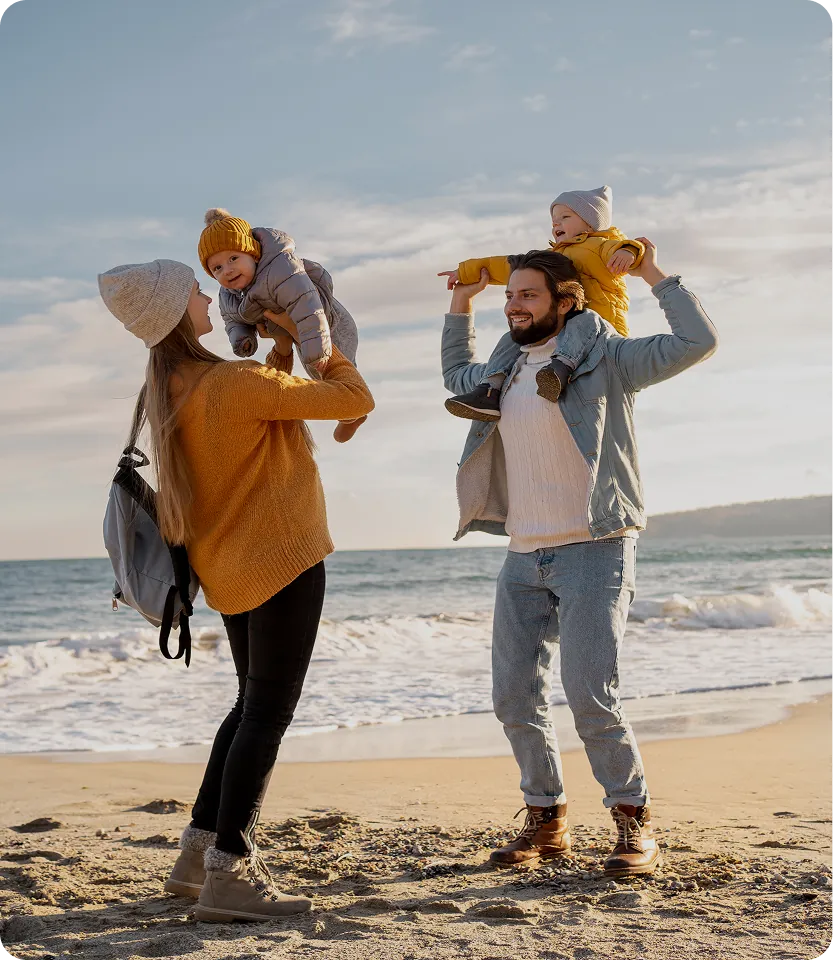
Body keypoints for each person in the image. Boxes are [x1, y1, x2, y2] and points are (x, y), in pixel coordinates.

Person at [98, 258, 374, 921]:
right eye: (193, 290)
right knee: (267, 714)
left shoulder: (172, 389)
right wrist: (321, 344)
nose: (206, 294)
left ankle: (197, 855)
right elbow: (352, 399)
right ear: (174, 311)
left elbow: (263, 404)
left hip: (227, 569)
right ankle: (229, 871)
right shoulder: (232, 381)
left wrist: (279, 343)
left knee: (248, 705)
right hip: (282, 558)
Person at [440, 241, 717, 877]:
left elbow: (696, 341)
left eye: (527, 294)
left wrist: (652, 273)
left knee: (590, 695)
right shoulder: (503, 371)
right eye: (510, 294)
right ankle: (546, 819)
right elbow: (456, 374)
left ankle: (634, 822)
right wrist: (460, 304)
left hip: (595, 546)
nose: (514, 304)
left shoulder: (610, 358)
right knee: (514, 696)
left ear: (568, 301)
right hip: (522, 552)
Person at [439, 185, 644, 420]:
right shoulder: (554, 258)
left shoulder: (600, 247)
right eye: (554, 220)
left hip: (601, 335)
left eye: (565, 217)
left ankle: (559, 371)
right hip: (565, 333)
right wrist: (466, 273)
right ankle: (490, 388)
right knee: (512, 338)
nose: (556, 224)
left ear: (591, 224)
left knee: (584, 319)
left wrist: (629, 251)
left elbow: (631, 247)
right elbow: (505, 265)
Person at [198, 207, 366, 443]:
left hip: (328, 324)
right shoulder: (229, 293)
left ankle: (352, 416)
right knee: (322, 375)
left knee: (330, 374)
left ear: (253, 254)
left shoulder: (281, 269)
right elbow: (232, 319)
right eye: (217, 268)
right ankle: (351, 415)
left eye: (233, 258)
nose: (228, 270)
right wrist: (242, 339)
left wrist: (313, 347)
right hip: (297, 334)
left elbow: (307, 306)